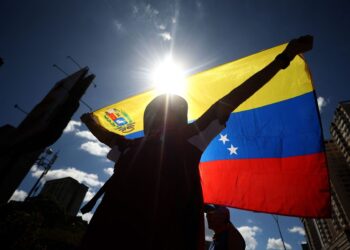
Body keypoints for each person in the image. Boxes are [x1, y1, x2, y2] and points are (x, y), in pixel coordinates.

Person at [79, 36, 313, 250]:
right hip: (104, 237)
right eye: (157, 112)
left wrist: (284, 58)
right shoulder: (129, 146)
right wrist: (88, 121)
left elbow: (237, 95)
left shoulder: (189, 136)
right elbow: (103, 135)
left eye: (166, 112)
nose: (160, 117)